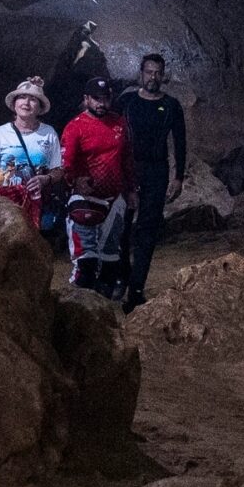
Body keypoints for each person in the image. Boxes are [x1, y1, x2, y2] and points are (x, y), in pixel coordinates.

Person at [114, 52, 187, 310]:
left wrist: (178, 177)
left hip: (157, 171)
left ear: (163, 76)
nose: (153, 77)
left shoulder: (171, 106)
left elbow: (180, 141)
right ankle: (122, 276)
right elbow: (109, 129)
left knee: (147, 231)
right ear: (141, 74)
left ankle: (135, 290)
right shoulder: (127, 102)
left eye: (157, 73)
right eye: (149, 72)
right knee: (122, 228)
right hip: (129, 169)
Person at [59, 75, 131, 294]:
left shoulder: (118, 123)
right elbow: (65, 164)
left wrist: (131, 189)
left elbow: (127, 159)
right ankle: (78, 314)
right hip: (86, 202)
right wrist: (74, 182)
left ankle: (105, 318)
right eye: (96, 99)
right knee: (86, 264)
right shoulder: (75, 127)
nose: (101, 103)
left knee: (110, 259)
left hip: (115, 199)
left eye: (106, 98)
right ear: (86, 99)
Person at [0, 77, 63, 229]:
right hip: (3, 204)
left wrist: (45, 179)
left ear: (39, 108)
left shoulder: (49, 133)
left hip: (36, 202)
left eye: (33, 99)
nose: (26, 103)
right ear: (14, 104)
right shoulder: (0, 133)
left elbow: (58, 170)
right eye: (22, 97)